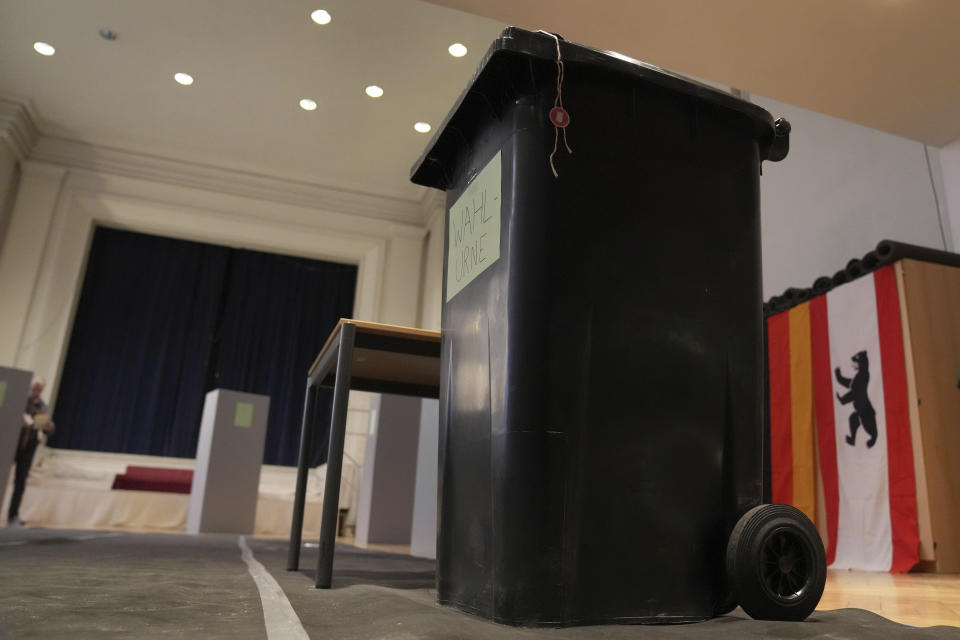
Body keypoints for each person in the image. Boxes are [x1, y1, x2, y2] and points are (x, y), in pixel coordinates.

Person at [7, 376, 55, 527]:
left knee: (20, 482)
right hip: (11, 442)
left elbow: (45, 428)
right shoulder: (19, 399)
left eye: (39, 389)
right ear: (29, 386)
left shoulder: (42, 406)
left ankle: (13, 515)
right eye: (34, 387)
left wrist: (48, 427)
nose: (36, 391)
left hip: (28, 446)